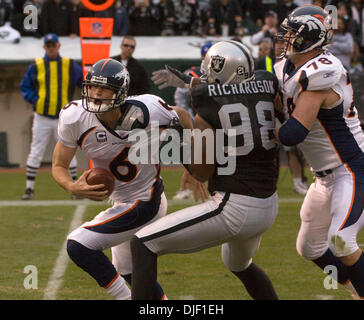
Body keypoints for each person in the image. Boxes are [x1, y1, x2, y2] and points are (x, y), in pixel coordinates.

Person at [131, 40, 281, 300]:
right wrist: (191, 83)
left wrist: (181, 137)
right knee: (238, 264)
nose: (204, 78)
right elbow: (231, 90)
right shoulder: (266, 85)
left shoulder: (208, 106)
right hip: (268, 203)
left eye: (209, 73)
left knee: (143, 244)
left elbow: (201, 172)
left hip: (236, 205)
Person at [51, 58, 205, 299]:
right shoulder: (75, 117)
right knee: (130, 273)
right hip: (123, 201)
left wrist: (194, 165)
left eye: (104, 88)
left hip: (146, 201)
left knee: (78, 245)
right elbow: (59, 164)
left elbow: (183, 117)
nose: (96, 93)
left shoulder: (148, 109)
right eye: (92, 86)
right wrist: (71, 185)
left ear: (120, 92)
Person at [274, 5, 364, 299]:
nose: (284, 38)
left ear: (309, 38)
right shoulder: (285, 68)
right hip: (323, 177)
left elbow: (293, 133)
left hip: (352, 169)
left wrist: (260, 128)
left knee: (342, 240)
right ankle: (354, 287)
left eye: (291, 34)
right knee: (309, 246)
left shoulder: (323, 71)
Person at [20, 33, 82, 200]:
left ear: (59, 46)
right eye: (48, 45)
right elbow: (25, 87)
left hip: (63, 117)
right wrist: (36, 100)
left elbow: (83, 82)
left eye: (54, 45)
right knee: (36, 151)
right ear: (44, 47)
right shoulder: (36, 66)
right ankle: (29, 189)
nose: (51, 48)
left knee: (70, 150)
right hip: (42, 117)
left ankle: (75, 188)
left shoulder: (69, 65)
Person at [171, 41, 213, 201]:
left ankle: (187, 188)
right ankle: (185, 189)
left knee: (203, 156)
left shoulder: (221, 72)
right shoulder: (193, 73)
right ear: (202, 56)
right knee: (197, 155)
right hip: (197, 119)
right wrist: (186, 115)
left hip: (212, 118)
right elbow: (180, 94)